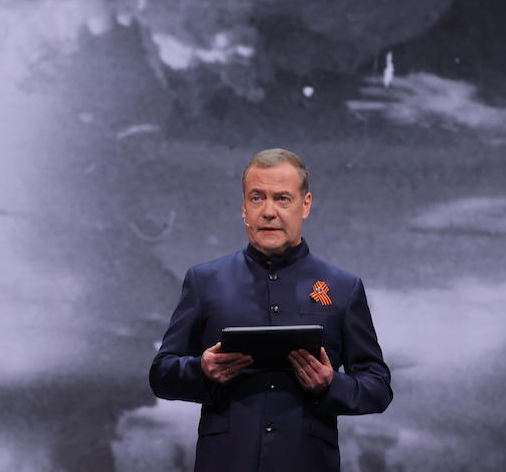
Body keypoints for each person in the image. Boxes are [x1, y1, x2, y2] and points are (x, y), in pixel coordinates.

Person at [149, 148, 391, 471]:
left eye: (283, 199)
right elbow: (161, 374)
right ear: (244, 208)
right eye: (257, 198)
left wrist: (331, 384)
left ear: (306, 205)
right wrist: (201, 371)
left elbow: (377, 387)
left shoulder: (343, 288)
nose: (268, 212)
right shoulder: (204, 282)